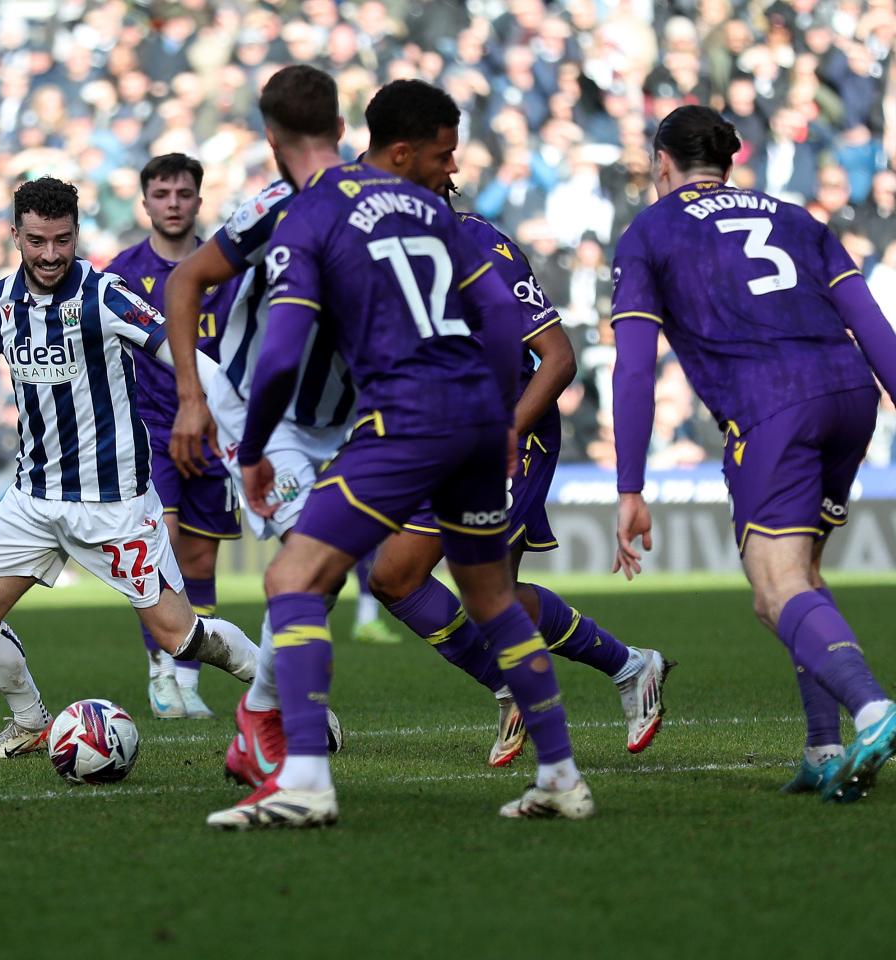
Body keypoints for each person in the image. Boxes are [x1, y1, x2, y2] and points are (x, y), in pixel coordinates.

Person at [207, 74, 593, 830]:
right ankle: (561, 777)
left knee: (293, 576)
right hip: (479, 418)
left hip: (407, 420)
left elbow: (281, 352)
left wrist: (252, 446)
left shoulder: (311, 209)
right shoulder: (435, 211)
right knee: (492, 599)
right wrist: (501, 419)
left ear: (273, 141)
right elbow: (497, 318)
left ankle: (308, 782)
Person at [0, 177, 261, 762]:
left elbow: (185, 354)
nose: (49, 254)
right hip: (32, 500)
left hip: (114, 505)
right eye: (36, 241)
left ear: (77, 234)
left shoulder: (106, 296)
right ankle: (29, 723)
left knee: (180, 636)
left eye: (61, 240)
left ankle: (285, 693)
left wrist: (220, 414)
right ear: (14, 235)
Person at [360, 80, 673, 767]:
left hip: (511, 435)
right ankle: (518, 682)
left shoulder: (479, 245)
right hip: (436, 436)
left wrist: (502, 429)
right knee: (393, 577)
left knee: (488, 597)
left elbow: (556, 359)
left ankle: (626, 670)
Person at [612, 105, 896, 802]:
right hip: (849, 393)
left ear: (662, 163)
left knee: (775, 592)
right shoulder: (799, 220)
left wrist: (630, 484)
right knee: (804, 574)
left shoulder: (650, 230)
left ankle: (872, 709)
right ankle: (824, 748)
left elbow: (633, 369)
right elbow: (872, 324)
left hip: (772, 406)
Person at [164, 65, 354, 789]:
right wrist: (193, 397)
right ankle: (272, 727)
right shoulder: (271, 206)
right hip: (262, 413)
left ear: (271, 137)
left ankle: (259, 714)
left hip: (346, 413)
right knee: (312, 560)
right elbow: (187, 280)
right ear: (340, 128)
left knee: (324, 575)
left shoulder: (367, 202)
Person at [107, 154, 242, 721]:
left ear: (198, 200)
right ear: (145, 203)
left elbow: (240, 346)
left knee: (200, 561)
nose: (172, 203)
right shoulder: (121, 270)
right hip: (150, 431)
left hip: (214, 431)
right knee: (159, 548)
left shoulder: (225, 267)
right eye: (161, 194)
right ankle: (160, 670)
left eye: (183, 194)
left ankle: (188, 679)